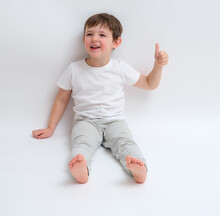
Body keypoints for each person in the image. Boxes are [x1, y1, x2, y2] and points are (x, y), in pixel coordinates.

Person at [32, 13, 168, 184]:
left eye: (102, 35)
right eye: (90, 34)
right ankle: (81, 168)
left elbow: (149, 84)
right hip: (86, 121)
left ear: (116, 42)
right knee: (82, 144)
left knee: (125, 143)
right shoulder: (74, 69)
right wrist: (50, 128)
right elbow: (61, 99)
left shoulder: (120, 68)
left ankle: (139, 169)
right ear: (84, 40)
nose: (94, 39)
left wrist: (158, 66)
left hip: (115, 121)